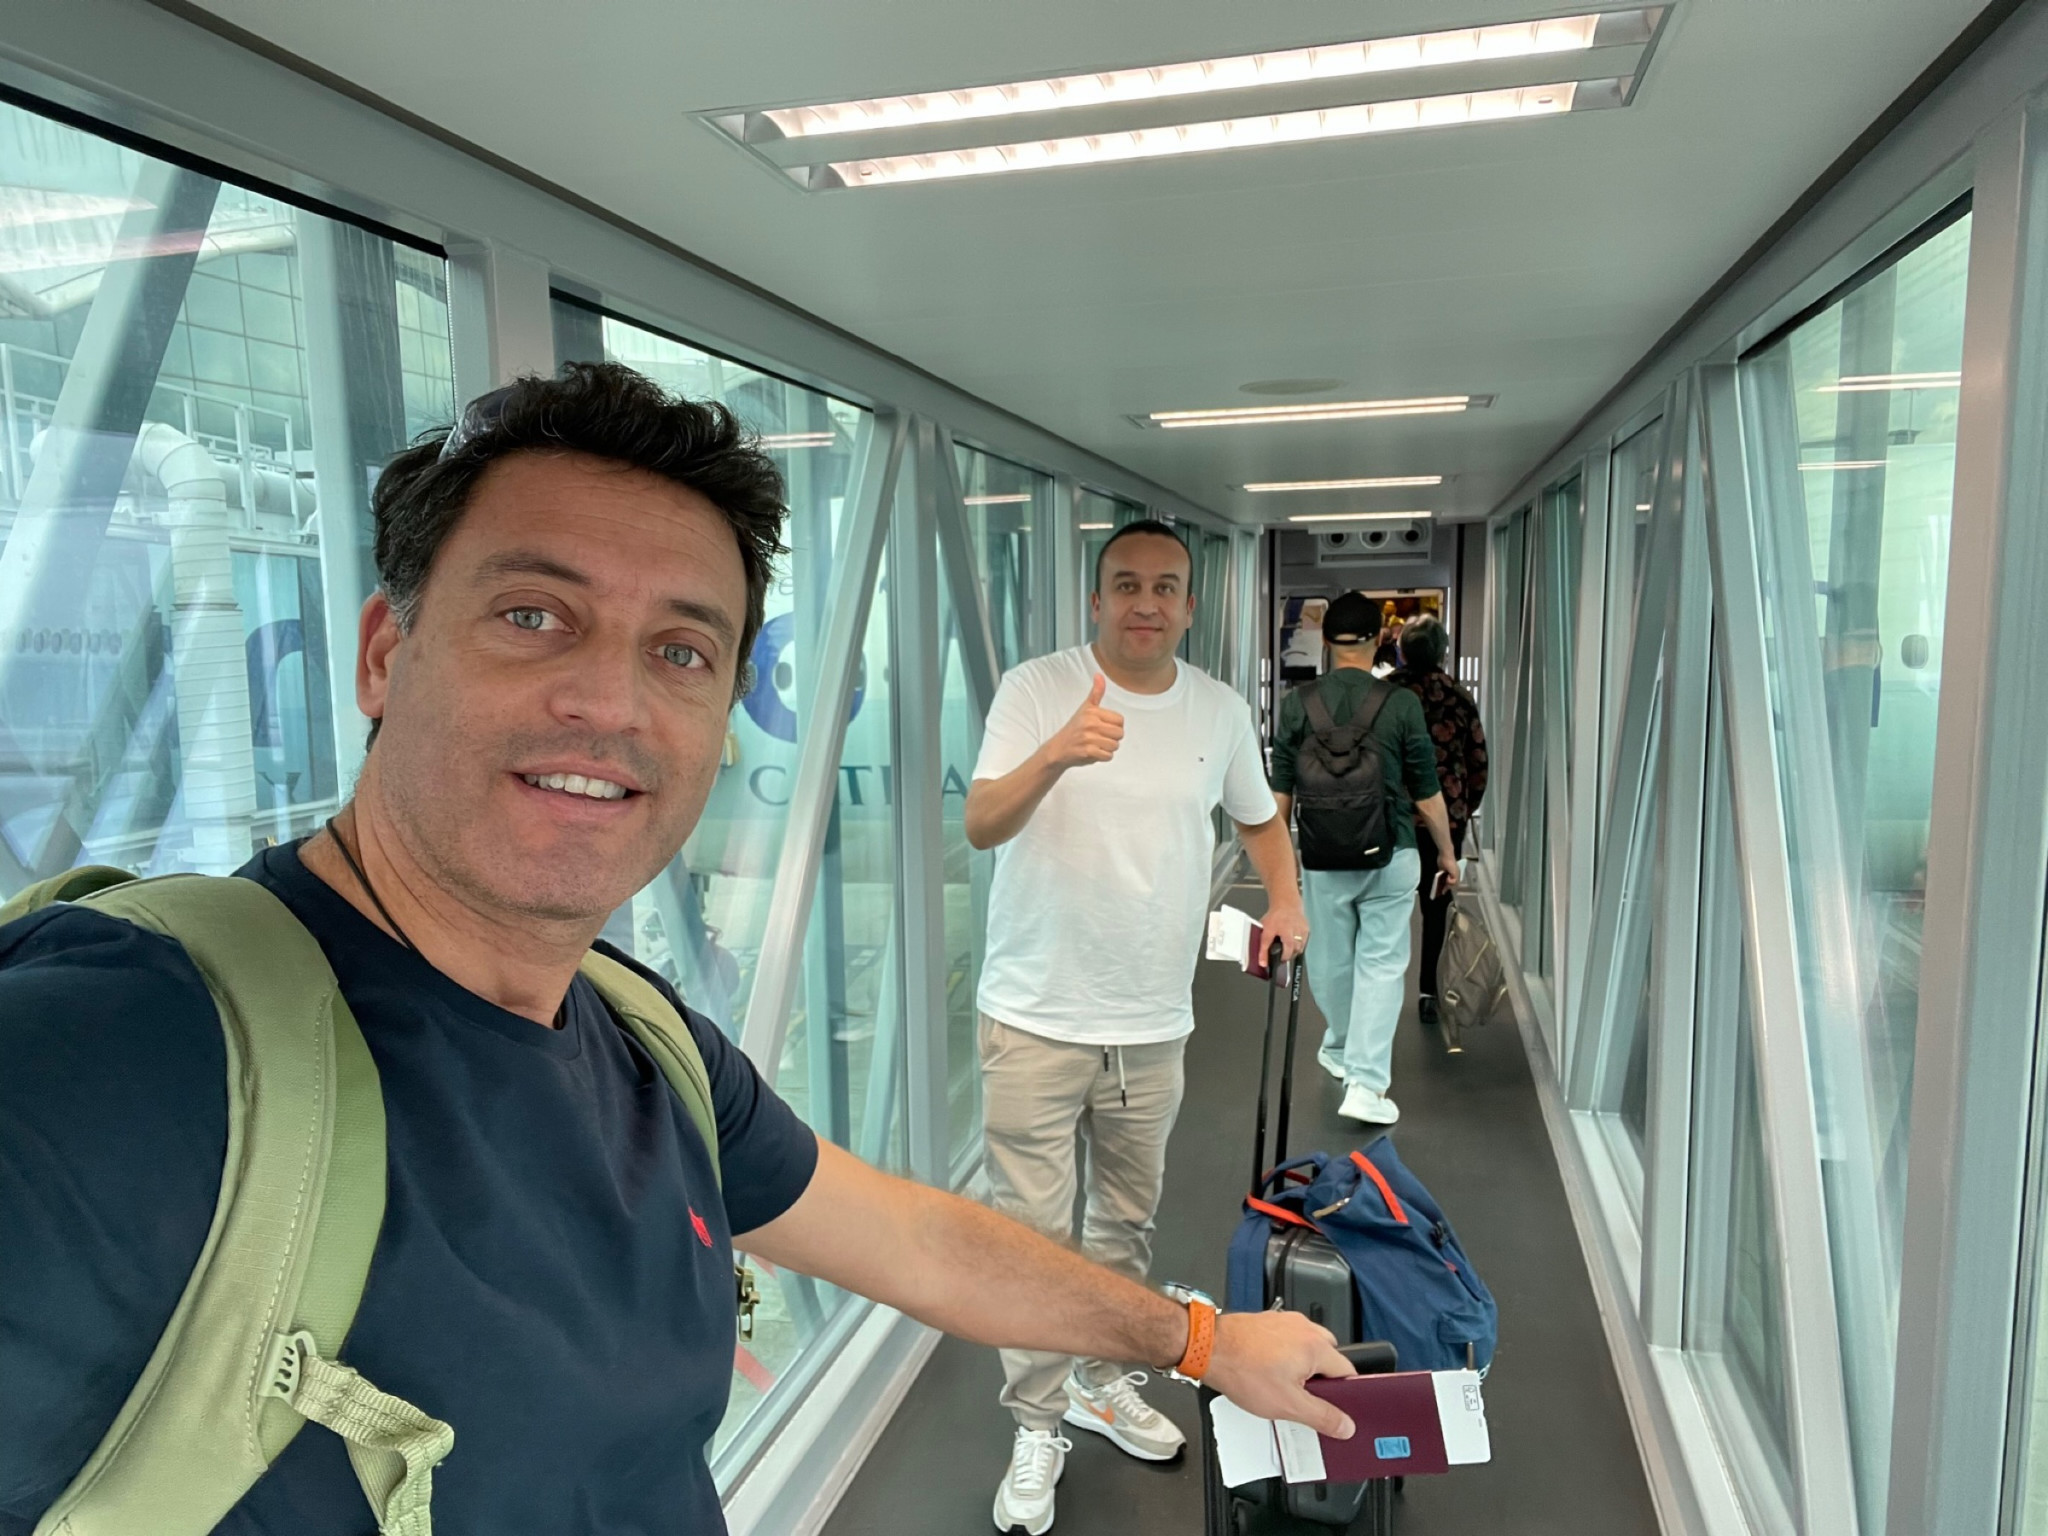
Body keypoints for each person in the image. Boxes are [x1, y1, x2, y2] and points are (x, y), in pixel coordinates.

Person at [0, 367, 1356, 1536]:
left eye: (682, 651)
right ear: (381, 654)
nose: (608, 701)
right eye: (534, 616)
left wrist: (1200, 1339)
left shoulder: (636, 1036)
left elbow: (913, 1239)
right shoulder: (119, 1055)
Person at [963, 519, 1310, 1534]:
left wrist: (1286, 898)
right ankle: (1035, 1420)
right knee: (1031, 1238)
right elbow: (982, 822)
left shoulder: (1217, 709)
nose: (1145, 603)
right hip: (1033, 1014)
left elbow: (1257, 817)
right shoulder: (1038, 690)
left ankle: (1099, 1379)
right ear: (1096, 598)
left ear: (1190, 605)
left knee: (1125, 1220)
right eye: (1125, 584)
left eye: (1164, 587)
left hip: (1153, 1018)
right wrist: (1057, 754)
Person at [1269, 591, 1460, 1127]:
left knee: (1330, 961)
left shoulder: (1297, 704)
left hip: (1322, 857)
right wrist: (1447, 853)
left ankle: (1341, 1046)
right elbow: (1427, 791)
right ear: (1380, 640)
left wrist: (1281, 872)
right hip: (1392, 851)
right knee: (1381, 965)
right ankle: (1366, 1083)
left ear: (1327, 642)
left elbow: (1279, 795)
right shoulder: (1400, 703)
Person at [1386, 613, 1488, 1026]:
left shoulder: (1385, 694)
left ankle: (1380, 990)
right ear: (1443, 653)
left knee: (1384, 903)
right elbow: (1477, 762)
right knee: (1436, 906)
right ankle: (1429, 992)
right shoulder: (1458, 697)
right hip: (1444, 820)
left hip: (1390, 816)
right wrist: (1462, 808)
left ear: (1402, 651)